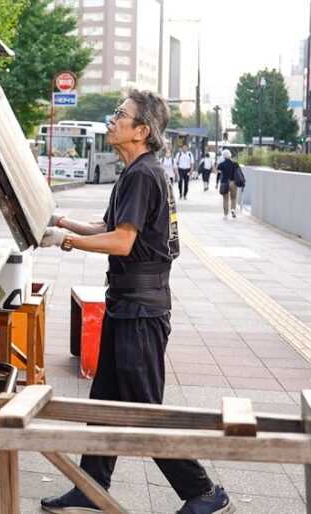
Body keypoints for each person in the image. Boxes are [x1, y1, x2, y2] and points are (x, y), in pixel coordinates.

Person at [38, 90, 232, 514]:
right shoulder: (136, 172)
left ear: (142, 131)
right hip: (127, 305)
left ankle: (204, 493)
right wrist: (59, 222)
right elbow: (108, 225)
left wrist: (65, 241)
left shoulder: (144, 175)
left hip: (141, 311)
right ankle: (90, 490)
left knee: (143, 409)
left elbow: (122, 242)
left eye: (120, 115)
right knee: (105, 400)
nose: (112, 120)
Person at [217, 148, 241, 219]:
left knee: (225, 198)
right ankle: (233, 209)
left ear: (223, 157)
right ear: (230, 156)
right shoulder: (235, 164)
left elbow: (217, 170)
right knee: (233, 197)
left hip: (225, 182)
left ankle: (225, 214)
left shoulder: (221, 165)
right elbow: (239, 173)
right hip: (233, 182)